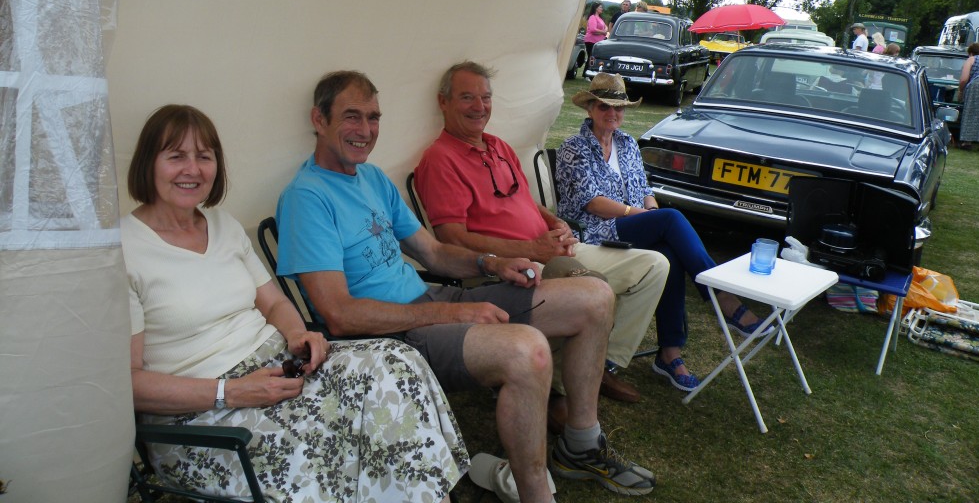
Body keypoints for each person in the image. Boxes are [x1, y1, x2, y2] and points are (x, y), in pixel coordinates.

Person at [276, 71, 656, 501]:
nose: (365, 131)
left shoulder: (372, 178)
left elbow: (433, 253)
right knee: (525, 351)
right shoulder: (307, 198)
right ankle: (535, 493)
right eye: (351, 117)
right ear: (319, 120)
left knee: (594, 297)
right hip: (389, 339)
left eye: (373, 117)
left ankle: (581, 445)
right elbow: (340, 316)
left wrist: (493, 262)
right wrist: (453, 312)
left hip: (433, 301)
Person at [123, 105, 467, 503]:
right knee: (324, 439)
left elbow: (272, 303)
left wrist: (298, 333)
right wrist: (229, 392)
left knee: (397, 361)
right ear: (149, 162)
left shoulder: (221, 224)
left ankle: (422, 494)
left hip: (276, 369)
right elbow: (127, 384)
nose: (193, 169)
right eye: (176, 156)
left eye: (204, 156)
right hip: (203, 413)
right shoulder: (123, 252)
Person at [415, 62, 669, 408]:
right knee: (583, 284)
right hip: (505, 268)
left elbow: (526, 202)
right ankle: (562, 390)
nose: (479, 106)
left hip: (553, 249)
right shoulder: (440, 159)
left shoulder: (499, 148)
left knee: (654, 266)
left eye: (485, 97)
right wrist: (532, 247)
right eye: (467, 97)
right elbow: (452, 239)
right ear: (443, 102)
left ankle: (601, 362)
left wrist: (555, 223)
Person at [554, 73, 772, 392]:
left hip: (629, 227)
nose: (612, 114)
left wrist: (650, 212)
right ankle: (719, 295)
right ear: (589, 108)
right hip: (594, 232)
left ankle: (670, 354)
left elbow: (643, 187)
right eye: (604, 107)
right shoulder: (573, 148)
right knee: (670, 220)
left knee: (669, 251)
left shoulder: (627, 143)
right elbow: (592, 203)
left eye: (619, 108)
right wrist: (642, 215)